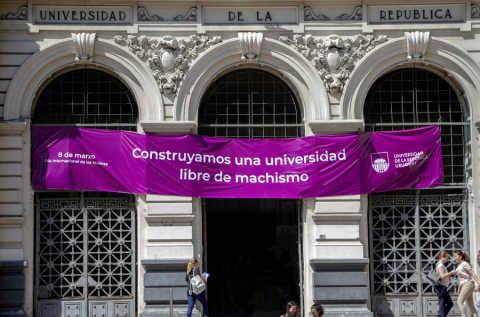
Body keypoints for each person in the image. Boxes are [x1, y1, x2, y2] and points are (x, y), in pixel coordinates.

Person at [454, 251, 480, 317]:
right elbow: (461, 278)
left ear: (460, 256)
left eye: (456, 256)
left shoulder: (465, 264)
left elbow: (472, 273)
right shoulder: (460, 265)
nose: (455, 258)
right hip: (465, 284)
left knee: (459, 302)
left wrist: (479, 282)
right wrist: (459, 289)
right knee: (471, 305)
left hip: (468, 284)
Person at [435, 251, 456, 317]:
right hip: (441, 288)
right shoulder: (440, 265)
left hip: (443, 287)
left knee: (450, 304)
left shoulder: (441, 265)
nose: (448, 259)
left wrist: (450, 278)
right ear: (442, 257)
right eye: (447, 257)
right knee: (442, 305)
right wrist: (451, 273)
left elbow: (444, 278)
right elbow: (442, 276)